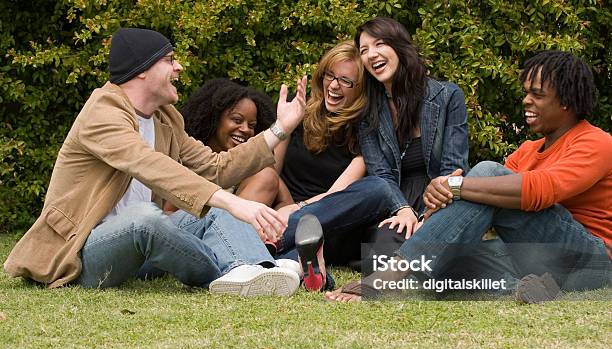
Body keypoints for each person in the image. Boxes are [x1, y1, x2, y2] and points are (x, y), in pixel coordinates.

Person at [3, 27, 308, 297]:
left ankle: (257, 267)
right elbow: (147, 163)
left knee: (213, 211)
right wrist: (233, 201)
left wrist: (279, 129)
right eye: (170, 59)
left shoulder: (166, 118)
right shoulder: (102, 113)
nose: (179, 67)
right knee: (144, 218)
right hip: (84, 253)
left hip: (142, 251)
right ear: (142, 69)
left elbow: (216, 168)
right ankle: (229, 272)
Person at [327, 50, 612, 302]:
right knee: (445, 259)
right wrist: (438, 202)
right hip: (534, 257)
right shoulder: (527, 151)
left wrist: (453, 185)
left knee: (486, 173)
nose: (526, 101)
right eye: (525, 92)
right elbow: (484, 203)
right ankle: (526, 289)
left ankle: (390, 277)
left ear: (567, 102)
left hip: (590, 258)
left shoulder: (596, 143)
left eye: (537, 94)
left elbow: (540, 190)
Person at [270, 41, 393, 291]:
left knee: (378, 189)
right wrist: (283, 203)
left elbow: (336, 196)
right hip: (283, 213)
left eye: (346, 81)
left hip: (330, 221)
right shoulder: (300, 108)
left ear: (362, 89)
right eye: (330, 75)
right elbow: (271, 169)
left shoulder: (366, 132)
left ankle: (276, 249)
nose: (334, 86)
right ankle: (297, 265)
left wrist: (295, 210)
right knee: (306, 240)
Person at [350, 17, 470, 269]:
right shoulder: (367, 114)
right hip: (395, 205)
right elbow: (381, 174)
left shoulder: (447, 97)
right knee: (379, 250)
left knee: (438, 250)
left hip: (440, 201)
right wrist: (402, 209)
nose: (371, 55)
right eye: (363, 50)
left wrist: (430, 216)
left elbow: (453, 168)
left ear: (399, 46)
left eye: (379, 44)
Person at [178, 78, 279, 207]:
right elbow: (168, 211)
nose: (245, 129)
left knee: (267, 174)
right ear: (214, 118)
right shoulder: (193, 158)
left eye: (252, 125)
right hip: (195, 224)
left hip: (240, 223)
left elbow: (285, 201)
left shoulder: (252, 164)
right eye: (237, 120)